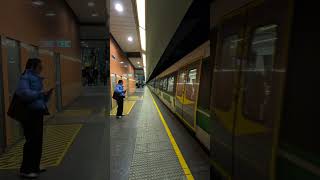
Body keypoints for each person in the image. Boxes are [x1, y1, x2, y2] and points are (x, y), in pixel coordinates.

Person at [15, 58, 53, 179]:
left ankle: (35, 166)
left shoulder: (36, 78)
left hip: (38, 112)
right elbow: (23, 93)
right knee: (31, 142)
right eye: (39, 67)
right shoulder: (25, 78)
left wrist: (46, 96)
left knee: (38, 141)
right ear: (32, 67)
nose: (41, 69)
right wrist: (40, 93)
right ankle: (25, 170)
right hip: (29, 114)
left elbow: (39, 96)